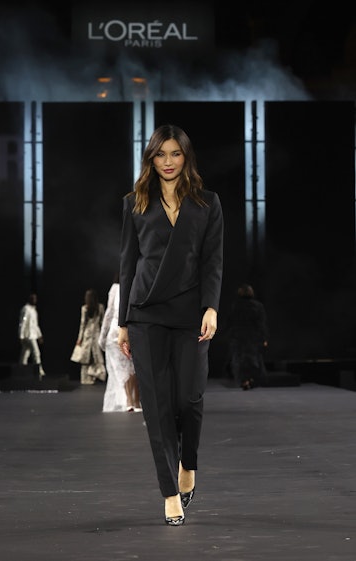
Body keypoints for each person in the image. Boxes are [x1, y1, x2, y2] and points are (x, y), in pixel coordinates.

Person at [117, 124, 224, 526]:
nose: (167, 161)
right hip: (145, 313)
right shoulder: (134, 202)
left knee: (190, 400)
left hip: (191, 313)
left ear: (186, 157)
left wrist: (211, 307)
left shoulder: (208, 203)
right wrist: (125, 322)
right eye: (160, 154)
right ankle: (168, 493)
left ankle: (188, 464)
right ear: (150, 158)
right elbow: (127, 264)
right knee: (158, 409)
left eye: (175, 153)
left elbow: (213, 260)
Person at [98, 275, 141, 412]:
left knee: (127, 368)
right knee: (133, 367)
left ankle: (131, 400)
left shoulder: (117, 288)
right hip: (130, 329)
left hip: (119, 331)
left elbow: (109, 313)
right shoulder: (137, 283)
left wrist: (102, 337)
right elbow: (109, 313)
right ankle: (134, 401)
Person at [227, 283, 269, 390]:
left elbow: (230, 322)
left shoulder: (236, 305)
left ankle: (244, 380)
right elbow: (261, 324)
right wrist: (264, 338)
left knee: (239, 360)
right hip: (252, 337)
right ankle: (250, 380)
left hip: (239, 337)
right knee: (252, 360)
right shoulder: (258, 306)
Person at [73, 288, 106, 385]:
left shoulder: (86, 308)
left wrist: (79, 339)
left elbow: (82, 325)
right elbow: (102, 323)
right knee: (94, 357)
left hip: (88, 336)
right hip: (96, 335)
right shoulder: (99, 307)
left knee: (87, 358)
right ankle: (93, 377)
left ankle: (86, 379)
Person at [18, 293, 46, 378]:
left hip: (33, 334)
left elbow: (35, 324)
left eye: (35, 298)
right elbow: (23, 322)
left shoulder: (33, 310)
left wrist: (39, 335)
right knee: (36, 352)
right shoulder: (26, 309)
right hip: (28, 335)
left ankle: (21, 370)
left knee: (25, 352)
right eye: (33, 298)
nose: (35, 300)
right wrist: (21, 335)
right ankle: (39, 370)